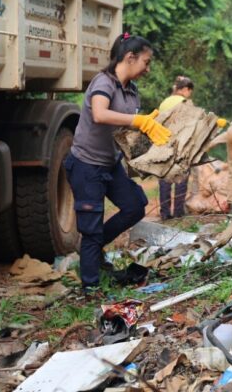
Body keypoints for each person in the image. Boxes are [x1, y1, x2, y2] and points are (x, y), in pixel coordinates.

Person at [64, 33, 171, 292]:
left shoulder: (131, 91)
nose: (148, 69)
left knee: (135, 205)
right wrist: (139, 120)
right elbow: (100, 114)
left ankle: (93, 246)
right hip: (86, 165)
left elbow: (126, 131)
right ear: (129, 57)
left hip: (110, 164)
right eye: (145, 62)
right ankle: (90, 288)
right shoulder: (104, 82)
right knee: (90, 226)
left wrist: (149, 130)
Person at [157, 76, 228, 220]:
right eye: (190, 91)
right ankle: (178, 213)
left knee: (165, 178)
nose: (190, 94)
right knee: (181, 179)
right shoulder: (185, 101)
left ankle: (165, 213)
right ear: (185, 90)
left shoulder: (164, 102)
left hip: (164, 143)